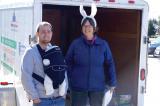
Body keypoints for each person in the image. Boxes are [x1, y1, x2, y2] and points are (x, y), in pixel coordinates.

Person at [65, 3, 117, 106]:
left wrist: (113, 82)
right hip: (78, 87)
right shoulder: (76, 44)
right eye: (84, 25)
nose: (87, 27)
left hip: (97, 87)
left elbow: (110, 63)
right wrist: (70, 79)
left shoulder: (103, 44)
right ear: (82, 28)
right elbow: (67, 62)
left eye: (89, 25)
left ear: (94, 28)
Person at [21, 21, 67, 106]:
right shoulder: (31, 52)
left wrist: (64, 93)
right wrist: (34, 97)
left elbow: (63, 72)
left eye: (48, 31)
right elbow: (25, 76)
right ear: (37, 34)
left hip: (59, 100)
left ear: (51, 33)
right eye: (43, 31)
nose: (46, 34)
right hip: (42, 101)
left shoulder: (56, 50)